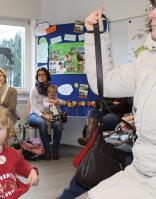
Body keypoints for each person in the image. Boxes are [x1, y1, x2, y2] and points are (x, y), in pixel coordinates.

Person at [67, 2, 156, 198]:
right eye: (153, 6)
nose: (152, 14)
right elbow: (104, 83)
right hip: (140, 172)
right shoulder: (146, 59)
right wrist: (95, 36)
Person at [28, 67, 63, 160]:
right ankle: (47, 150)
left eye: (43, 74)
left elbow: (57, 100)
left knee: (58, 125)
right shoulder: (34, 90)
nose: (41, 76)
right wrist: (44, 116)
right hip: (35, 115)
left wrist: (57, 102)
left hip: (50, 114)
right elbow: (34, 108)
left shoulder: (51, 88)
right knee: (42, 123)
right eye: (39, 75)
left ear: (47, 76)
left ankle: (55, 151)